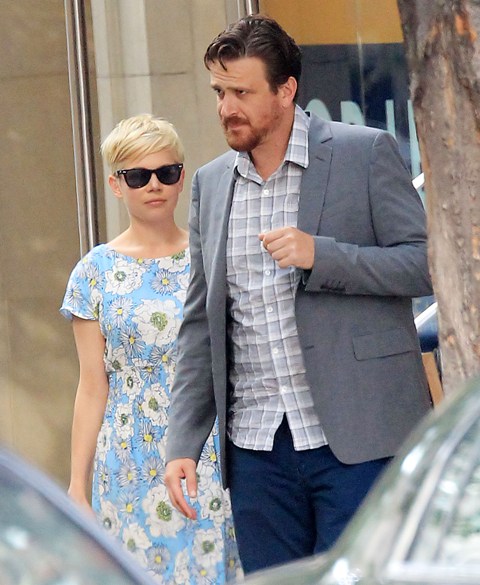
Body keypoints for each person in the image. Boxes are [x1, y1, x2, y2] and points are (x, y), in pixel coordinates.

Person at [164, 14, 434, 575]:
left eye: (242, 93)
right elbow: (200, 325)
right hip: (257, 452)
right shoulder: (211, 184)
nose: (226, 108)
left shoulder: (365, 153)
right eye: (219, 92)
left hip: (360, 440)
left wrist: (323, 256)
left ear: (286, 91)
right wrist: (183, 443)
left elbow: (425, 266)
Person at [60, 114, 242, 584]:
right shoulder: (94, 272)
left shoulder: (212, 255)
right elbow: (91, 386)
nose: (154, 185)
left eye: (167, 172)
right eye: (138, 176)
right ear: (116, 185)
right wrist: (77, 484)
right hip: (126, 460)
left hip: (208, 449)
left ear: (182, 178)